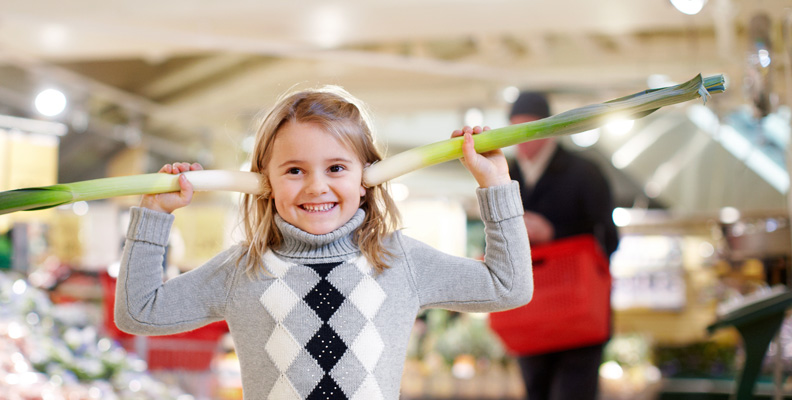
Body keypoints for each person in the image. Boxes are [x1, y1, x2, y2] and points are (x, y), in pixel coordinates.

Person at [114, 86, 533, 399]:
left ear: (366, 177)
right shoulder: (243, 270)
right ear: (265, 181)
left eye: (335, 168)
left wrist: (496, 184)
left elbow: (508, 285)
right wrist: (154, 215)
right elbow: (139, 312)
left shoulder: (399, 261)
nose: (316, 187)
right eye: (295, 170)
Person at [507, 91, 620, 400]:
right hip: (530, 314)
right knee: (535, 391)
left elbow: (608, 239)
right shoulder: (505, 176)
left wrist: (553, 233)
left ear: (547, 128)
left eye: (529, 129)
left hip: (579, 312)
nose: (522, 140)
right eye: (515, 130)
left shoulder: (585, 173)